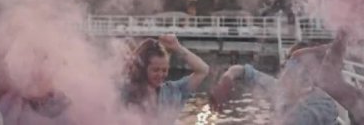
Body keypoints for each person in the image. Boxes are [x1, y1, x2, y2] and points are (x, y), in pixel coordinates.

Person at [210, 36, 341, 124]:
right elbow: (245, 72)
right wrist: (227, 78)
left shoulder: (322, 105)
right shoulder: (280, 89)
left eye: (295, 65)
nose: (286, 69)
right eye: (287, 64)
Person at [0, 26, 71, 125]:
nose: (36, 66)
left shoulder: (70, 109)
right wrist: (12, 30)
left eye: (44, 58)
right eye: (33, 56)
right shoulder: (13, 99)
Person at [122, 34, 209, 124]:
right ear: (143, 68)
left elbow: (203, 70)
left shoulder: (172, 91)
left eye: (164, 70)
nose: (160, 74)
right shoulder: (127, 91)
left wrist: (177, 48)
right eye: (155, 70)